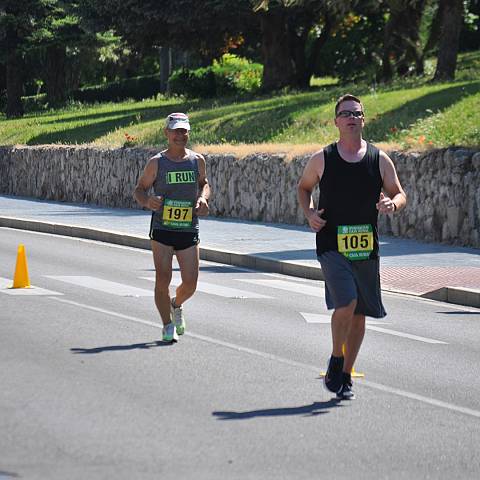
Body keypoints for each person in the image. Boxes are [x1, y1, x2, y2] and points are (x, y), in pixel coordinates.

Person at [297, 94, 407, 399]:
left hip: (365, 246)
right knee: (346, 303)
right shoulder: (323, 158)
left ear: (363, 119)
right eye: (345, 114)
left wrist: (392, 204)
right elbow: (304, 187)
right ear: (336, 122)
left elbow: (400, 193)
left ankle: (346, 376)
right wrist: (309, 213)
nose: (351, 118)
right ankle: (336, 357)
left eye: (356, 114)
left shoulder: (378, 159)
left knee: (359, 314)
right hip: (331, 243)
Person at [133, 112, 210, 342]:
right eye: (176, 130)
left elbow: (204, 184)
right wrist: (147, 201)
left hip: (188, 228)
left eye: (184, 130)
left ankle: (176, 304)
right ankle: (167, 325)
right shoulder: (157, 162)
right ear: (167, 133)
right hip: (163, 230)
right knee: (162, 278)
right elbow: (139, 189)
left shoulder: (197, 160)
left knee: (190, 283)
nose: (180, 135)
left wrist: (204, 198)